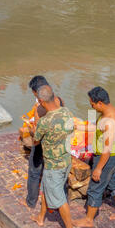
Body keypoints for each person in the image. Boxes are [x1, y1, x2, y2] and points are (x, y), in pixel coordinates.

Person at [72, 87, 115, 228]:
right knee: (112, 182)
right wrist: (79, 127)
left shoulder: (110, 120)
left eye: (92, 104)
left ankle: (88, 220)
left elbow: (106, 149)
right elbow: (97, 128)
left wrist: (98, 168)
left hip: (106, 157)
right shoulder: (108, 111)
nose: (91, 106)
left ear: (99, 103)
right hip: (110, 156)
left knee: (95, 187)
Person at [29, 85, 76, 228]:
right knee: (45, 188)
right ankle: (41, 218)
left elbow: (35, 140)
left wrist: (33, 126)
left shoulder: (45, 121)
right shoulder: (66, 112)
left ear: (41, 101)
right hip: (66, 160)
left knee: (59, 198)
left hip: (53, 165)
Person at [24, 76, 64, 209]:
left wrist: (30, 130)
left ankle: (31, 201)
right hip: (58, 144)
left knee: (34, 172)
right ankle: (58, 202)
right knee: (55, 176)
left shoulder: (39, 108)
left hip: (42, 145)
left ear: (37, 92)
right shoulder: (59, 101)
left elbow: (36, 136)